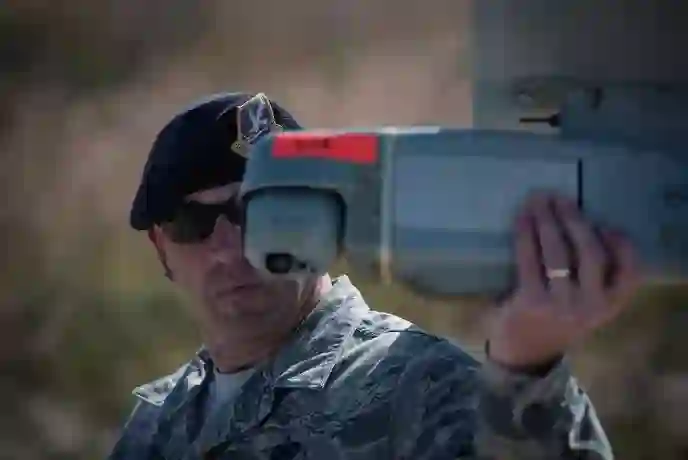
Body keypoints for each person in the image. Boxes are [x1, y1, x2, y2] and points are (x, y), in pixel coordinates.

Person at [108, 92, 641, 460]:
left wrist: (529, 373)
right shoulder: (158, 421)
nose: (230, 247)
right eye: (192, 223)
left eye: (258, 211)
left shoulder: (424, 387)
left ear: (326, 217)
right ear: (161, 248)